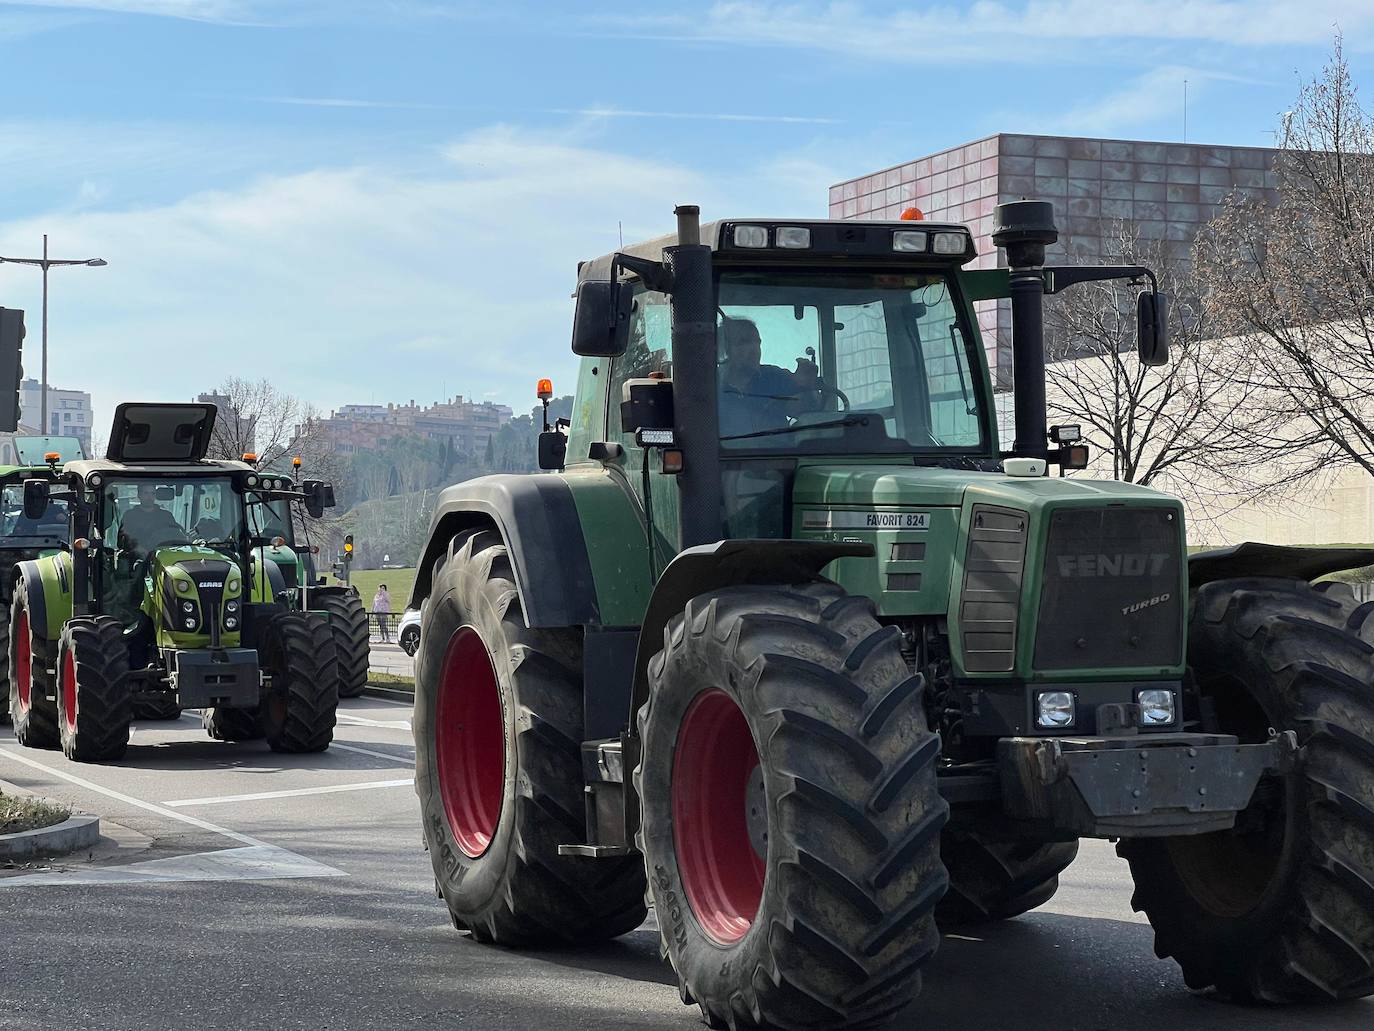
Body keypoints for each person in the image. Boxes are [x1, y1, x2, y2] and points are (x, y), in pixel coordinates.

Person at [718, 317, 820, 438]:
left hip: (773, 454)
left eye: (757, 343)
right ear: (723, 350)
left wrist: (807, 387)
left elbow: (800, 410)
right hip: (727, 455)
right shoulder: (707, 383)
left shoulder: (774, 377)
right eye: (744, 342)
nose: (755, 350)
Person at [118, 483, 187, 556]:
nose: (149, 497)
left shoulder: (166, 516)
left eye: (152, 493)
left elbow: (176, 536)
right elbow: (122, 541)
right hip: (136, 558)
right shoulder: (130, 516)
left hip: (164, 556)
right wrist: (139, 549)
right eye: (146, 493)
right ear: (139, 495)